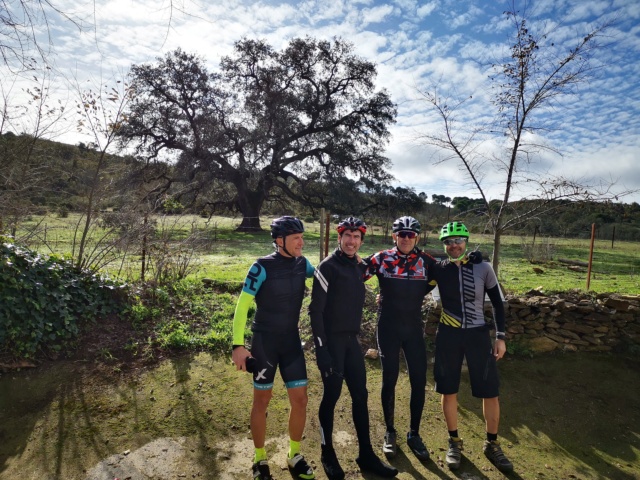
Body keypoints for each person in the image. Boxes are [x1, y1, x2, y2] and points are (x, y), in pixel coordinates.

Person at [309, 217, 398, 480]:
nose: (352, 241)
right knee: (332, 396)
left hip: (351, 342)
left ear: (361, 239)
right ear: (339, 237)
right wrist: (321, 349)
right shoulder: (327, 267)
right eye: (347, 235)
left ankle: (366, 454)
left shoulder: (359, 266)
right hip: (331, 344)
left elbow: (386, 264)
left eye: (357, 237)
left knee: (361, 395)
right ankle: (327, 452)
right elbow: (315, 311)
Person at [231, 216, 315, 480]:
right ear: (280, 241)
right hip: (264, 343)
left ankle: (294, 455)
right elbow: (242, 306)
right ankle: (259, 458)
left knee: (300, 400)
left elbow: (327, 274)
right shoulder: (261, 267)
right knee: (261, 402)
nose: (301, 242)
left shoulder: (304, 264)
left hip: (291, 341)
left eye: (302, 237)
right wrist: (238, 346)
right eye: (296, 238)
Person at [428, 221, 513, 473]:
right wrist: (386, 295)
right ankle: (454, 441)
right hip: (448, 334)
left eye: (458, 240)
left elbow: (497, 303)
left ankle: (492, 444)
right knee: (448, 388)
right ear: (443, 245)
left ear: (466, 240)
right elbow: (417, 289)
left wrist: (500, 337)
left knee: (490, 391)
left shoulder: (483, 266)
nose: (453, 245)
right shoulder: (438, 268)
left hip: (478, 334)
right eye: (448, 241)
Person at [360, 216, 437, 461]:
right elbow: (352, 273)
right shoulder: (381, 258)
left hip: (413, 328)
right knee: (389, 378)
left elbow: (448, 273)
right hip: (388, 326)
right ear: (394, 236)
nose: (405, 238)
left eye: (410, 234)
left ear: (417, 237)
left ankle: (414, 434)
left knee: (418, 380)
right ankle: (390, 431)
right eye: (401, 234)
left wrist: (470, 261)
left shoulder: (427, 261)